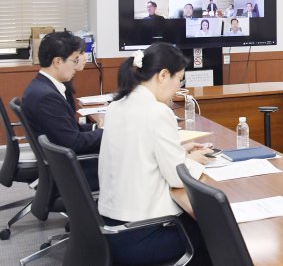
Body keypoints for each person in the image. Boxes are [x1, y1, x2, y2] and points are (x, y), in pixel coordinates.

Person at [98, 43, 212, 265]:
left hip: (112, 226)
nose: (179, 86)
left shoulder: (117, 105)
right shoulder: (157, 111)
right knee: (220, 236)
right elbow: (178, 178)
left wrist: (181, 154)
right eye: (179, 79)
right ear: (162, 75)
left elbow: (138, 153)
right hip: (143, 233)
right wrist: (192, 162)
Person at [21, 31, 103, 189]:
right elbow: (74, 142)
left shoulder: (42, 87)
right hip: (71, 172)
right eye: (74, 60)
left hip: (62, 163)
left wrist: (94, 127)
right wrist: (107, 132)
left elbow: (66, 129)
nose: (76, 65)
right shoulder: (46, 97)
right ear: (58, 61)